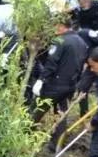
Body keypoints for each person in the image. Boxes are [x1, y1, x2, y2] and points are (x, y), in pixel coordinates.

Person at [31, 15, 88, 147]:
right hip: (70, 84)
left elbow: (52, 63)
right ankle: (57, 143)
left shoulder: (59, 41)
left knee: (37, 109)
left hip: (55, 84)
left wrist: (41, 80)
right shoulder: (81, 42)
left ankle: (24, 138)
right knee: (61, 114)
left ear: (61, 26)